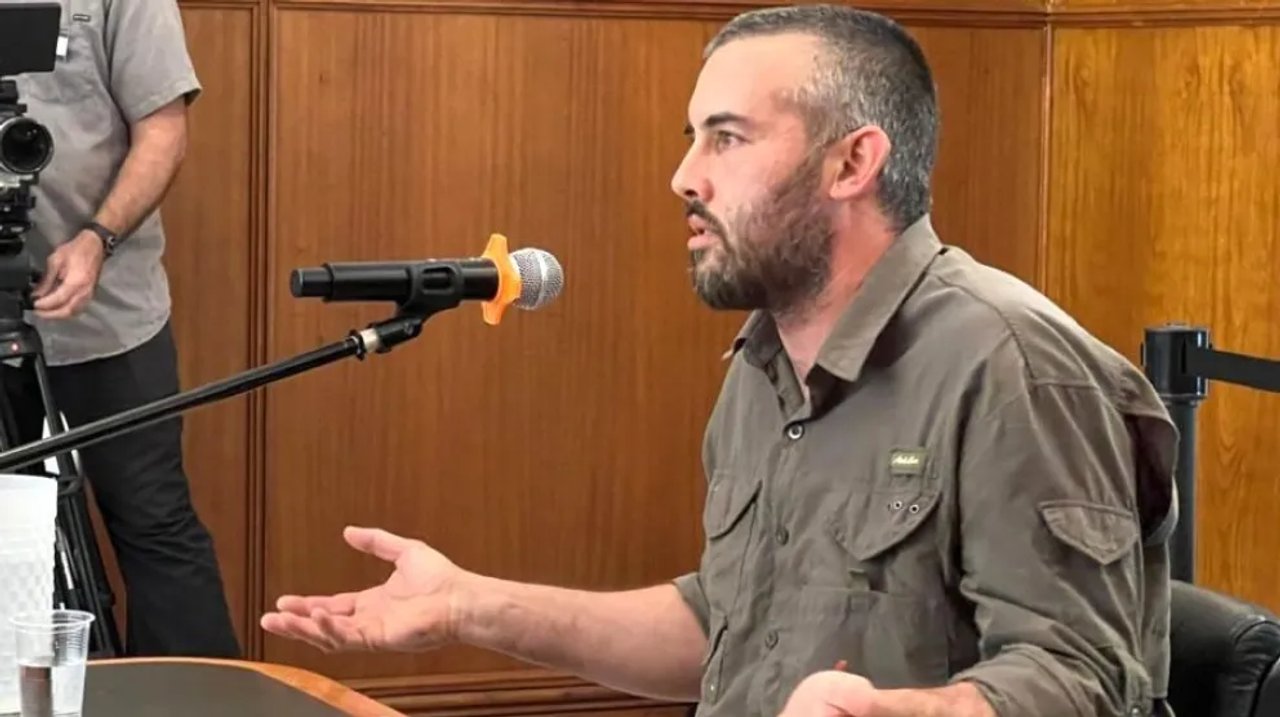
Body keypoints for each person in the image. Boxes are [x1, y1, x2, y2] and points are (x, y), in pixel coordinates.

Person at [260, 5, 1177, 716]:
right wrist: (470, 607)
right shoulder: (763, 363)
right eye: (691, 138)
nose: (685, 177)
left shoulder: (1013, 365)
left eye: (726, 138)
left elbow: (1085, 678)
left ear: (852, 162)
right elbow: (728, 623)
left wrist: (894, 710)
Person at [1, 0, 240, 657]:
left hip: (107, 312)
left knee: (154, 519)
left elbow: (163, 127)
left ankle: (193, 700)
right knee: (8, 534)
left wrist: (96, 240)